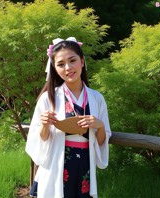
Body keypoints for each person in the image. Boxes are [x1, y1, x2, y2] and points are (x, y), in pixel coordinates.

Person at [25, 37, 111, 198]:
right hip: (56, 163)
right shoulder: (48, 98)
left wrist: (99, 125)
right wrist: (44, 125)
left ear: (82, 62)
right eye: (60, 64)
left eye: (72, 60)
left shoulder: (97, 98)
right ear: (55, 69)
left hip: (85, 163)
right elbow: (40, 139)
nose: (68, 68)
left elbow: (101, 141)